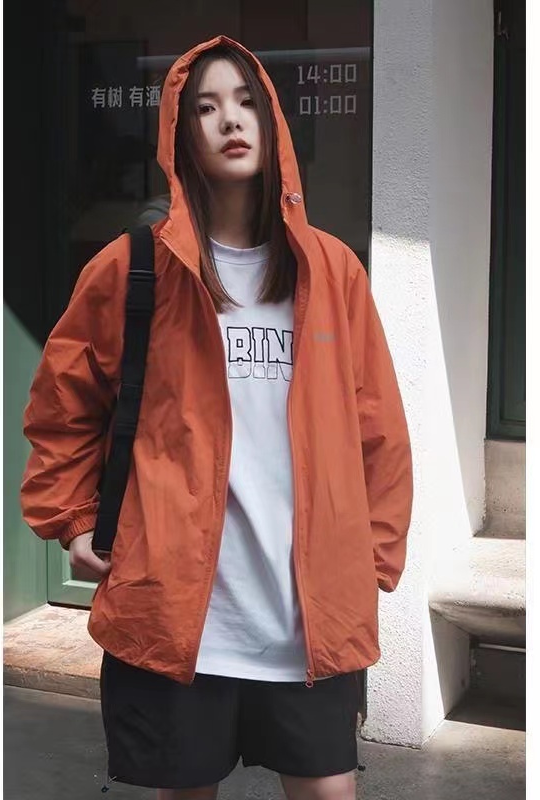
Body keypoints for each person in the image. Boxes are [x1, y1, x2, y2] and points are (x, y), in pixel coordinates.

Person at [21, 35, 413, 800]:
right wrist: (71, 519)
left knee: (329, 791)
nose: (229, 120)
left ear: (271, 124)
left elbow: (379, 432)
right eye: (204, 107)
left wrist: (369, 560)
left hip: (305, 615)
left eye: (244, 103)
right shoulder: (134, 268)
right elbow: (63, 406)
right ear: (180, 137)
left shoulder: (330, 270)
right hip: (179, 611)